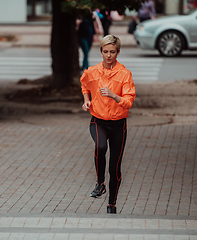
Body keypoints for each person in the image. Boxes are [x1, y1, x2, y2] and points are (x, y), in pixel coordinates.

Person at [80, 35, 136, 214]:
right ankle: (99, 182)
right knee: (100, 146)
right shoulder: (92, 71)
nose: (109, 55)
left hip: (119, 124)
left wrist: (114, 96)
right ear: (101, 52)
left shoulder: (124, 74)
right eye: (105, 52)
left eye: (112, 52)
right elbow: (84, 85)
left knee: (115, 168)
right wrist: (87, 100)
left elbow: (129, 101)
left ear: (118, 52)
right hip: (98, 121)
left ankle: (112, 203)